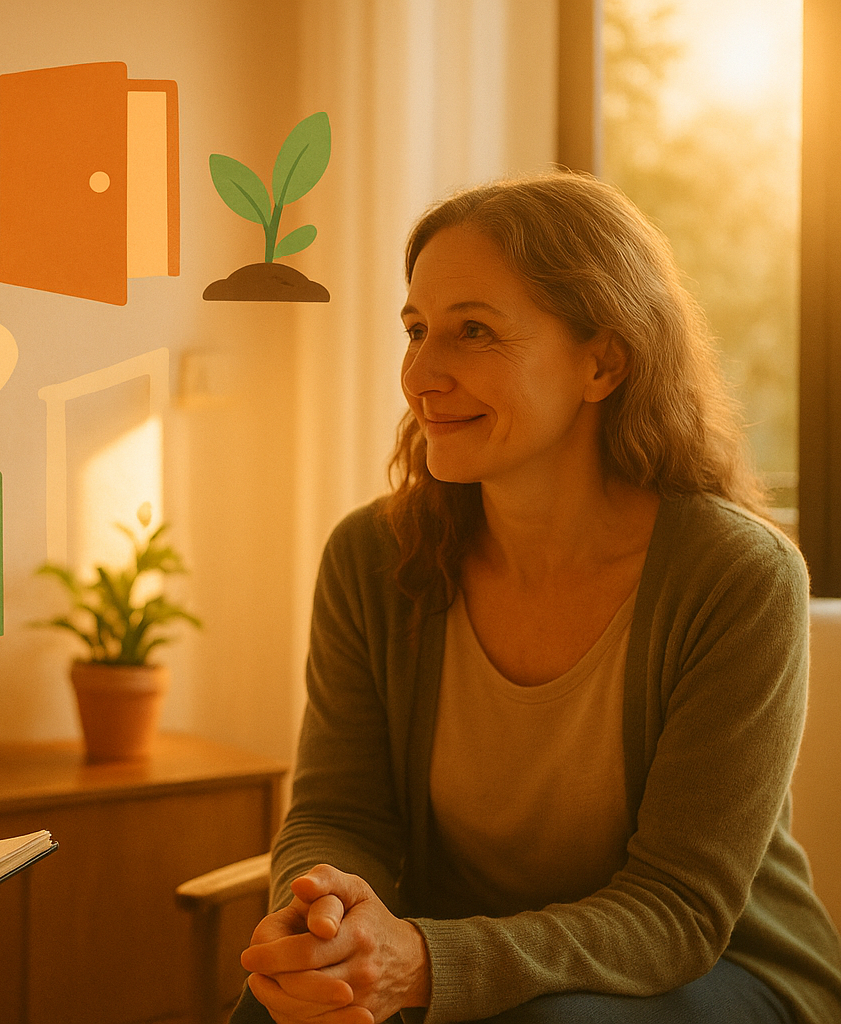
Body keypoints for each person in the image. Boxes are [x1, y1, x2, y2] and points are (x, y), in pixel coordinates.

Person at [230, 174, 841, 1024]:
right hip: (457, 949)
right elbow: (340, 810)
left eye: (473, 331)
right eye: (416, 330)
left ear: (603, 360)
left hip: (723, 971)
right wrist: (329, 910)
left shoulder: (739, 579)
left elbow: (677, 910)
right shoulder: (370, 558)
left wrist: (427, 963)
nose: (421, 375)